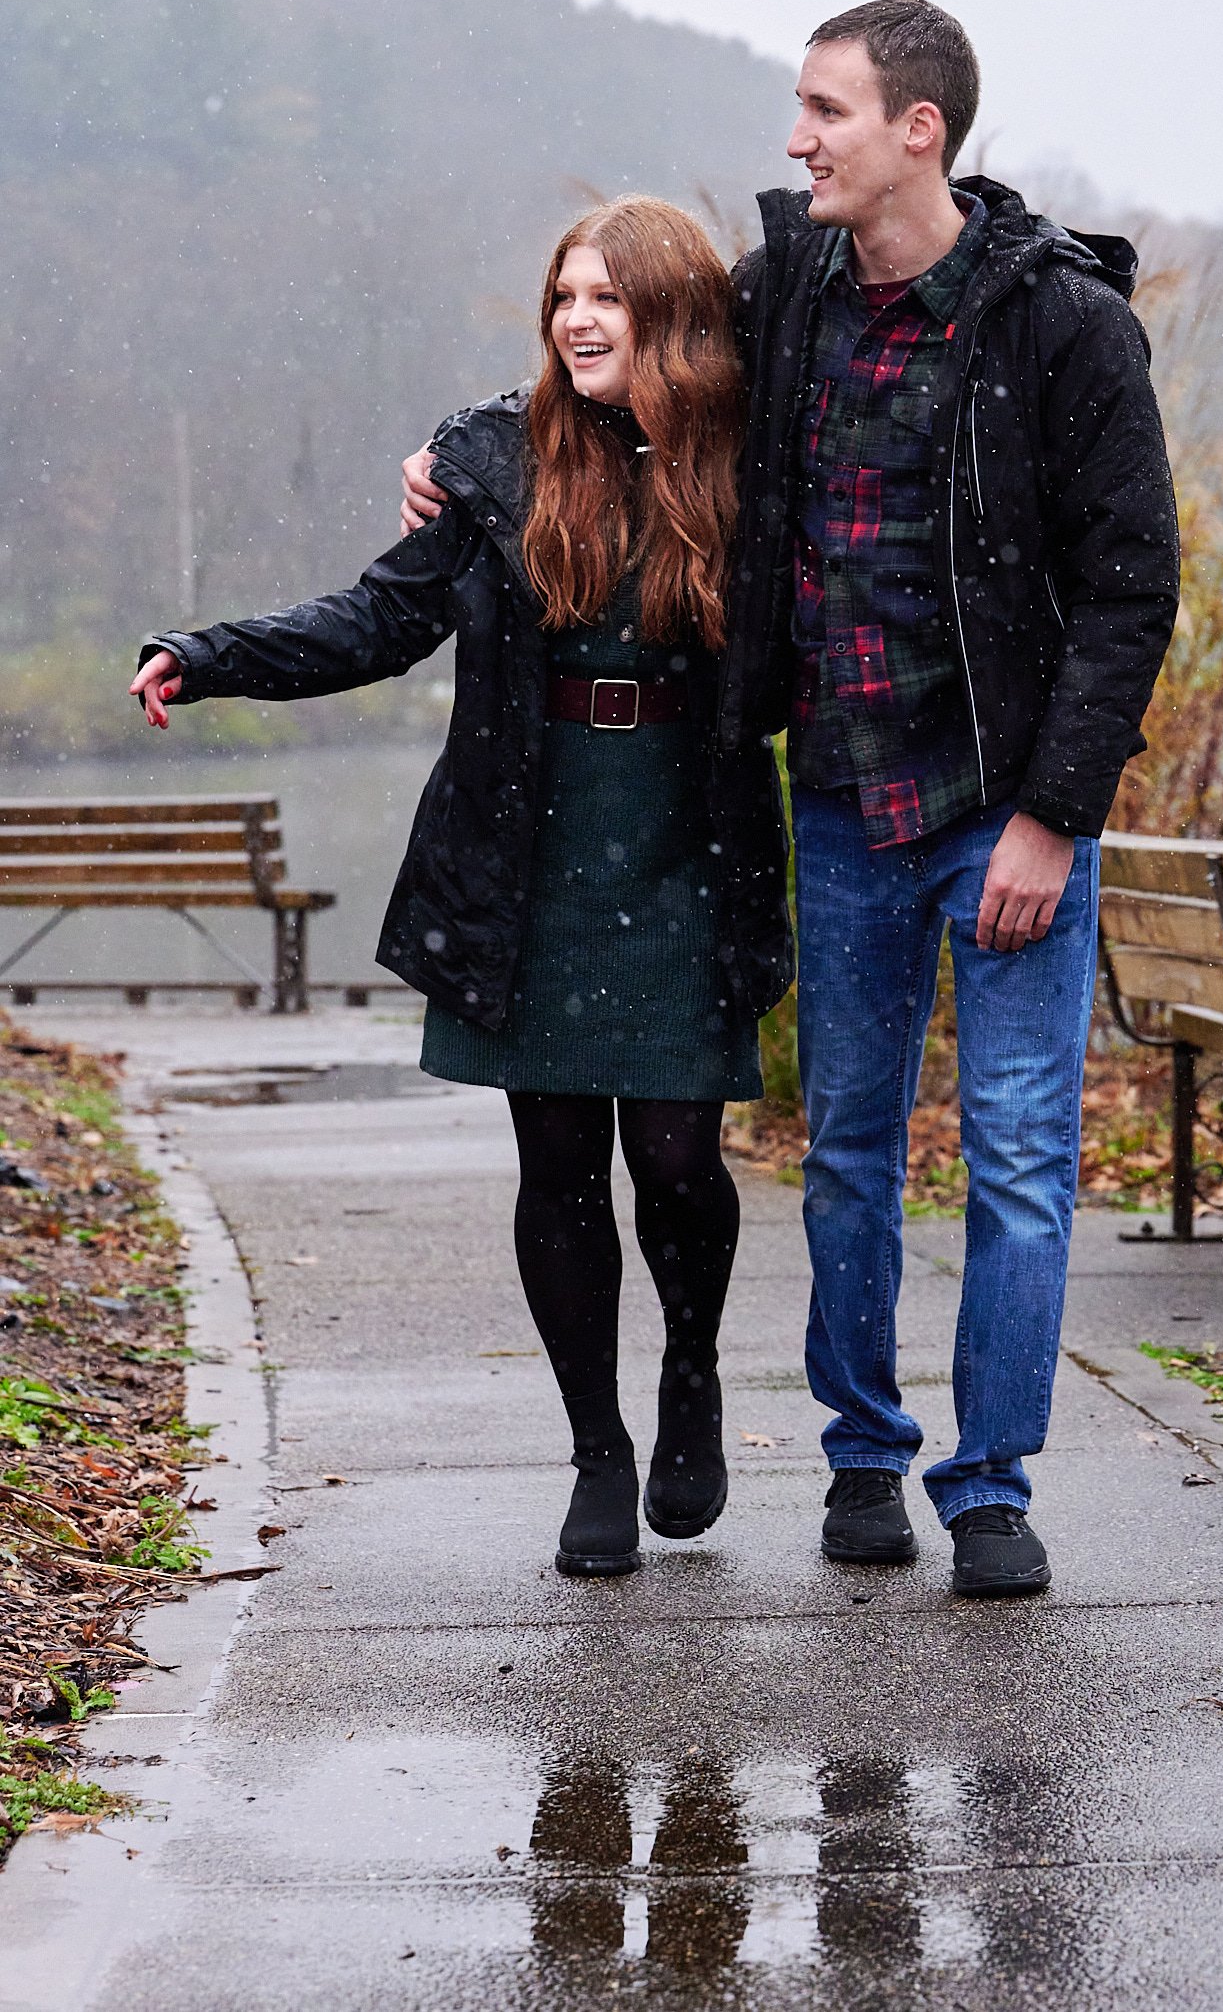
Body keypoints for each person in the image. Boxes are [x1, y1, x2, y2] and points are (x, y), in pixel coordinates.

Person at [404, 0, 1181, 1600]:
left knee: (1022, 1158)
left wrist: (1055, 813)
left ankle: (992, 1485)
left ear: (920, 129)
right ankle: (862, 1454)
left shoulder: (1063, 329)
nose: (795, 137)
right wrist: (459, 449)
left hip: (1005, 807)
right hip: (836, 801)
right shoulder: (793, 298)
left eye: (825, 109)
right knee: (844, 1151)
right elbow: (625, 358)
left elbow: (1128, 589)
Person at [131, 198, 793, 1582]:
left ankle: (689, 1373)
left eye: (611, 296)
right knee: (558, 1163)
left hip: (688, 844)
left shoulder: (746, 460)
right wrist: (212, 654)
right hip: (528, 849)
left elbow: (805, 282)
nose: (579, 319)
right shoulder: (494, 457)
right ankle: (597, 1447)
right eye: (565, 295)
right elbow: (379, 615)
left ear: (673, 315)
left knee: (676, 1154)